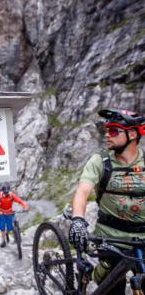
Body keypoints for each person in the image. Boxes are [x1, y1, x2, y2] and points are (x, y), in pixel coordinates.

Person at [68, 108, 145, 294]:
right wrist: (78, 219)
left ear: (132, 134)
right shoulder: (99, 161)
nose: (107, 135)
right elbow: (83, 191)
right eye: (106, 130)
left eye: (113, 131)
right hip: (110, 239)